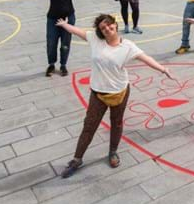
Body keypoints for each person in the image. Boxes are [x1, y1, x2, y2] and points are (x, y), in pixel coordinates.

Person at [57, 14, 174, 178]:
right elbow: (78, 32)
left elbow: (145, 58)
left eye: (109, 25)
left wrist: (163, 69)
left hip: (120, 91)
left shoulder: (128, 46)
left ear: (115, 25)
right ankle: (77, 159)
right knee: (89, 126)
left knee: (117, 123)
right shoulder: (95, 40)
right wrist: (64, 25)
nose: (107, 29)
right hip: (98, 92)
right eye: (103, 28)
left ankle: (113, 152)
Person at [19, 0, 103, 76]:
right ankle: (51, 64)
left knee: (65, 43)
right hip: (52, 19)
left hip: (68, 19)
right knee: (51, 42)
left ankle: (63, 65)